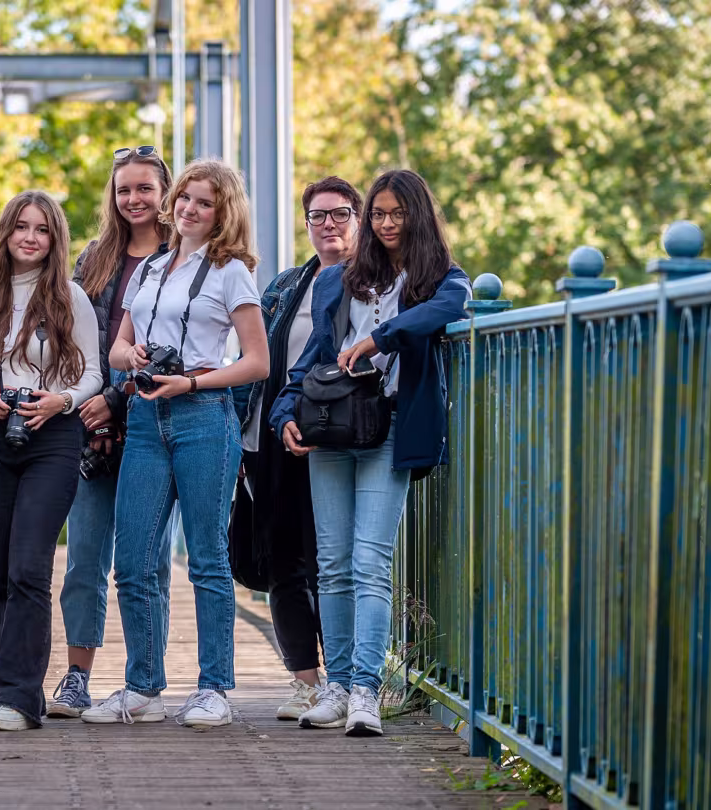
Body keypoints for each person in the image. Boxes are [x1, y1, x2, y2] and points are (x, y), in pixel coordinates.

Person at [270, 168, 471, 736]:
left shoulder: (438, 278)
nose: (385, 224)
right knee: (331, 566)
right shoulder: (339, 280)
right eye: (378, 214)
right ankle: (334, 688)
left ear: (417, 217)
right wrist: (285, 413)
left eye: (395, 214)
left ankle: (365, 689)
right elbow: (311, 357)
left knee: (370, 564)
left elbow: (448, 309)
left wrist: (380, 339)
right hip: (331, 432)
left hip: (388, 434)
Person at [83, 159, 270, 729]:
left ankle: (214, 688)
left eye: (203, 202)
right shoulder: (150, 270)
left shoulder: (232, 272)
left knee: (208, 559)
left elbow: (257, 362)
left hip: (202, 418)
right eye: (185, 198)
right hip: (144, 418)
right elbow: (116, 350)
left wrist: (192, 380)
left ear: (223, 212)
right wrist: (132, 358)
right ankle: (144, 687)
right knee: (134, 562)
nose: (189, 208)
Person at [0, 191, 102, 730]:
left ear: (55, 239)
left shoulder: (70, 296)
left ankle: (14, 696)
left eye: (42, 229)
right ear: (5, 233)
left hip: (51, 433)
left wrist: (64, 400)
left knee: (31, 565)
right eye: (21, 227)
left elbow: (93, 375)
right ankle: (17, 690)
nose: (30, 237)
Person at [230, 176, 363, 721]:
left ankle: (350, 679)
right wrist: (241, 431)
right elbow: (251, 353)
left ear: (358, 220)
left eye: (339, 214)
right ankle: (306, 682)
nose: (327, 225)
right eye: (317, 216)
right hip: (274, 435)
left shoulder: (376, 283)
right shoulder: (287, 284)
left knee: (338, 560)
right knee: (283, 557)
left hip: (341, 436)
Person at [48, 146, 173, 718]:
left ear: (164, 193)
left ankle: (146, 680)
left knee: (145, 564)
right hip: (90, 428)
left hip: (155, 422)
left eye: (145, 188)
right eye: (124, 190)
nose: (134, 199)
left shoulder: (186, 258)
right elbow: (69, 336)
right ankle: (77, 675)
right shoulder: (94, 259)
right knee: (85, 560)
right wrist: (85, 403)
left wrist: (115, 400)